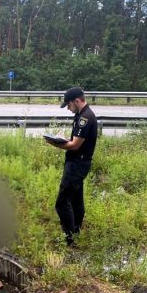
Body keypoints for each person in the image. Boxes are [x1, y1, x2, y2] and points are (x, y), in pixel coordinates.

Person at [44, 87, 98, 246]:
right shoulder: (82, 115)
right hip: (79, 163)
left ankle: (69, 238)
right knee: (76, 198)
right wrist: (63, 139)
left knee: (62, 202)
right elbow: (77, 140)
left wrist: (55, 143)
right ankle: (76, 230)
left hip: (77, 164)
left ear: (77, 101)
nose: (68, 108)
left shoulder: (85, 118)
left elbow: (74, 145)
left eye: (69, 105)